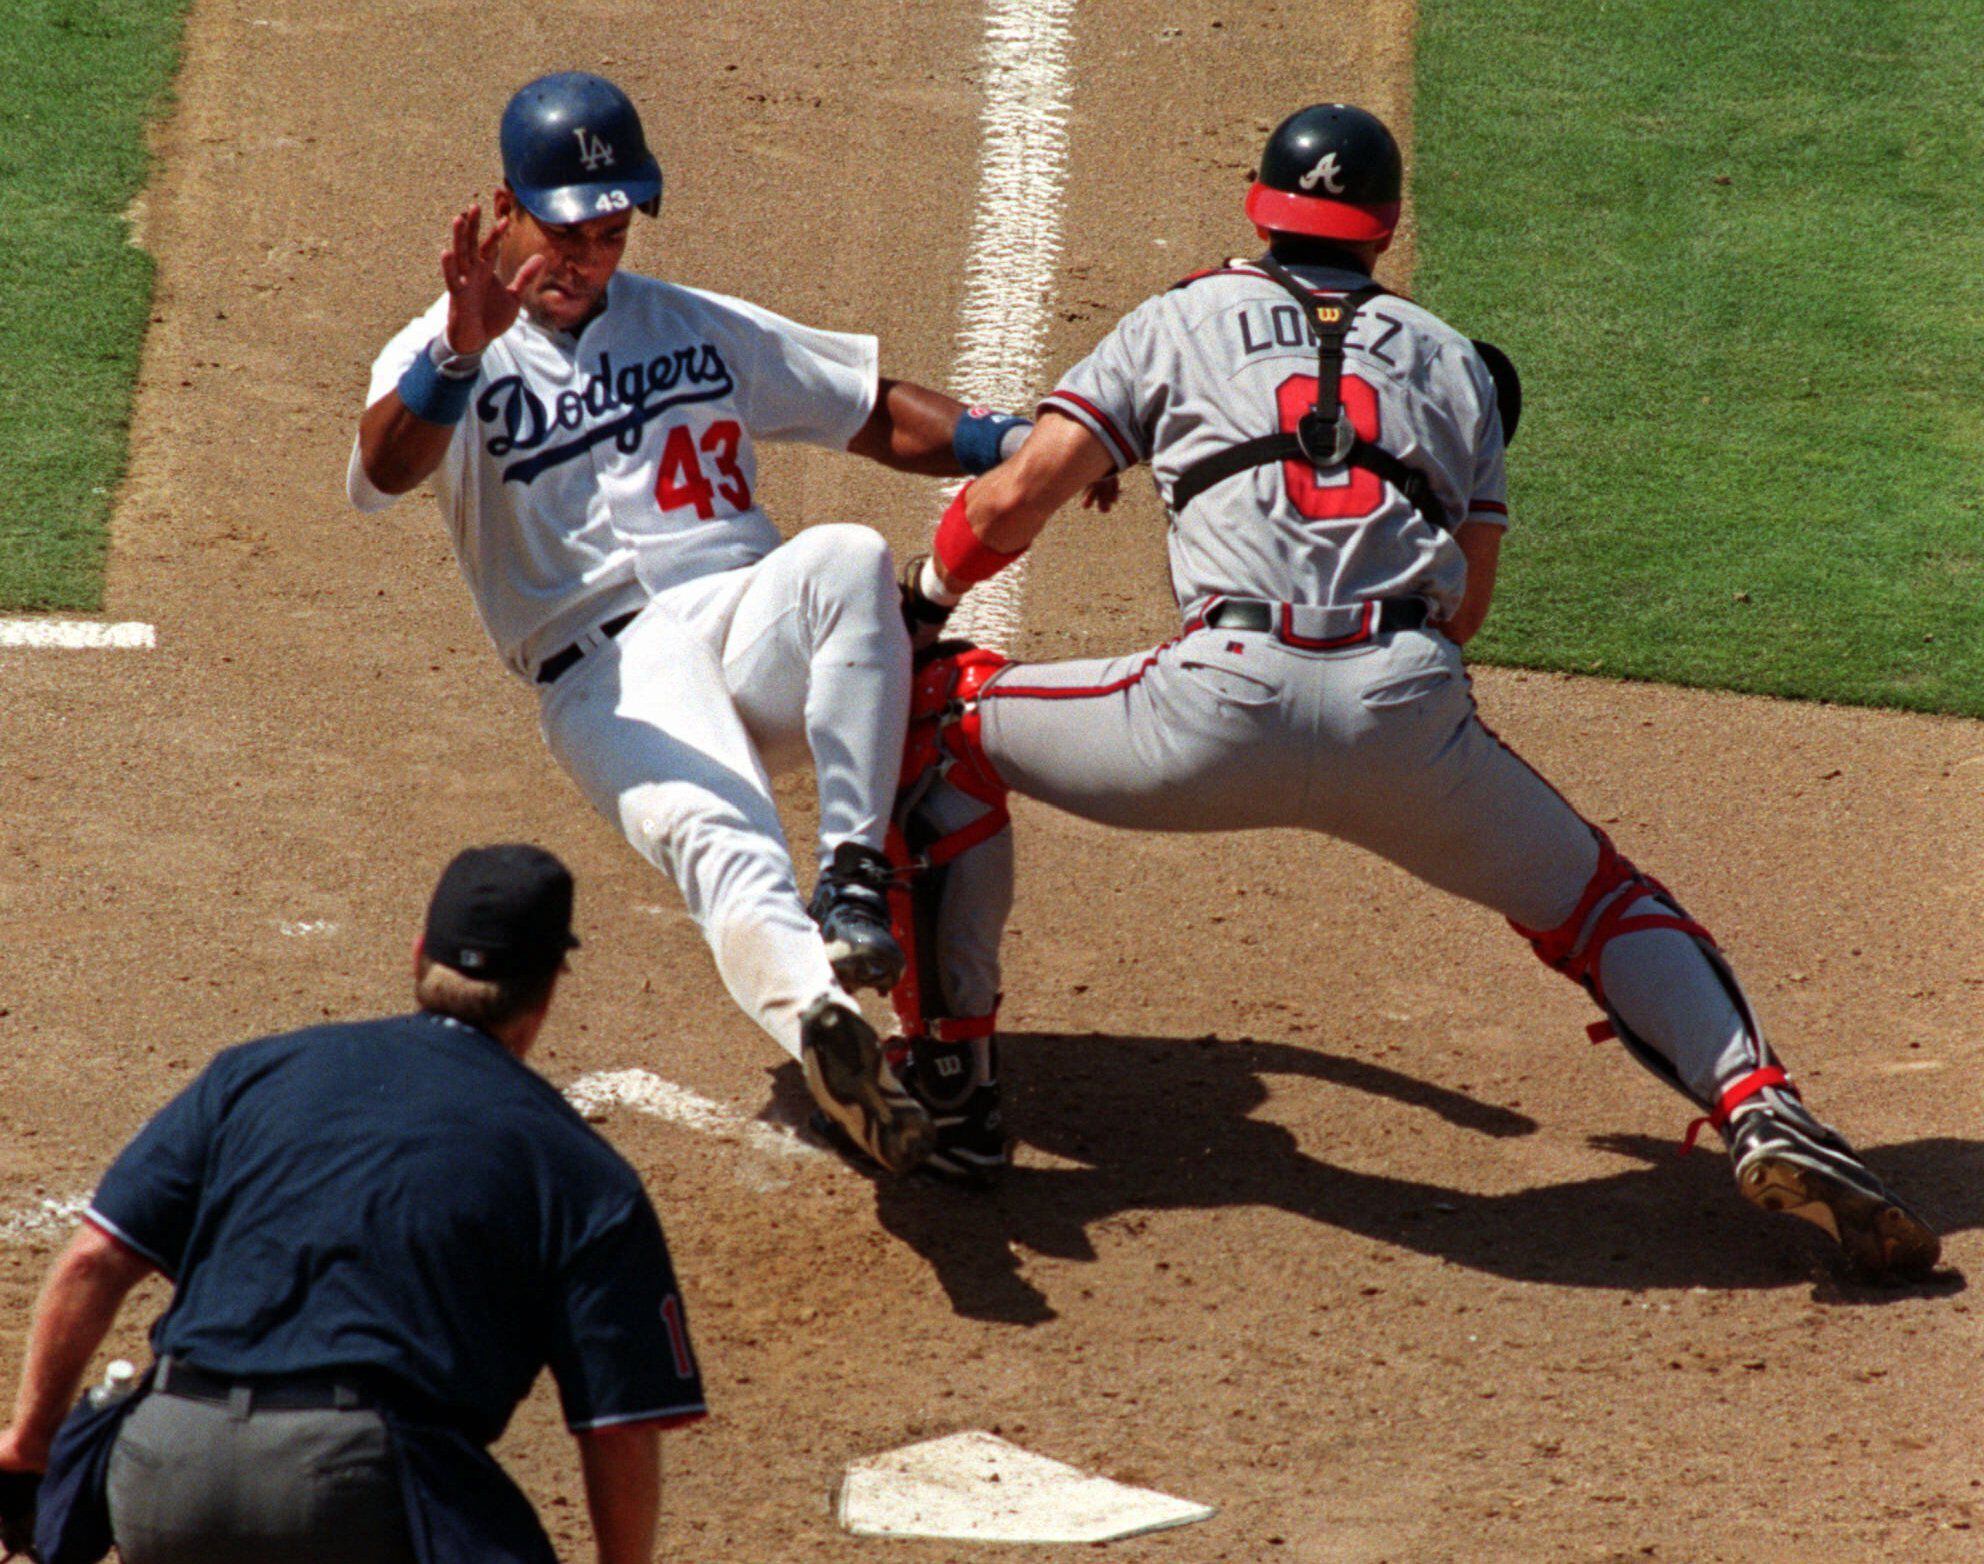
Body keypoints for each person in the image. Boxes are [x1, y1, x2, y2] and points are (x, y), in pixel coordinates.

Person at [885, 103, 1941, 1281]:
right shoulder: (1455, 363)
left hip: (1202, 714)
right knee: (1599, 903)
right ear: (1386, 230)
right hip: (1406, 714)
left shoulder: (1175, 319)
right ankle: (1760, 1100)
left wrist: (922, 603)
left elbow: (1013, 498)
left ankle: (954, 1092)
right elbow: (1467, 606)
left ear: (1258, 206)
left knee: (932, 716)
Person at [348, 72, 1040, 1174]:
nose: (587, 256)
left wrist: (1013, 444)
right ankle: (829, 1029)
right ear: (505, 207)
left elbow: (868, 407)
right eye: (568, 229)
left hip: (741, 614)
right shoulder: (444, 347)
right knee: (724, 843)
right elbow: (382, 473)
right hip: (606, 675)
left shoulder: (681, 322)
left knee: (848, 555)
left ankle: (854, 876)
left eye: (611, 232)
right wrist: (458, 352)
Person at [0, 845, 706, 1563]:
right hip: (353, 1490)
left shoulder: (253, 1073)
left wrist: (30, 1442)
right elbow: (619, 1429)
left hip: (164, 1470)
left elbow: (93, 1261)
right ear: (550, 986)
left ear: (419, 954)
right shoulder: (578, 1165)